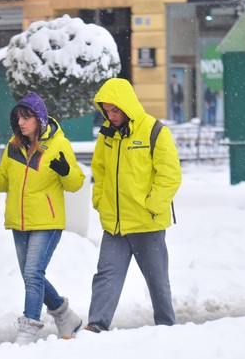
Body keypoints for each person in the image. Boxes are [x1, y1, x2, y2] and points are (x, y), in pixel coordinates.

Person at [0, 92, 86, 345]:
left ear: (40, 118)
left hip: (47, 221)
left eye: (27, 117)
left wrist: (66, 172)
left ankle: (29, 326)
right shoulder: (13, 146)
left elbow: (76, 183)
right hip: (19, 221)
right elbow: (4, 183)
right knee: (31, 275)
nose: (22, 123)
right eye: (18, 118)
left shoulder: (59, 145)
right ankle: (65, 316)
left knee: (33, 273)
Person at [84, 78, 182, 333]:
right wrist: (100, 201)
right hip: (115, 223)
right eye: (106, 110)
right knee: (106, 275)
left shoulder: (155, 131)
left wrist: (152, 205)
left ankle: (166, 326)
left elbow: (169, 174)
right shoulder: (106, 135)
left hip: (146, 222)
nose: (111, 115)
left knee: (157, 280)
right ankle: (96, 324)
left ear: (127, 105)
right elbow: (100, 171)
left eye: (115, 110)